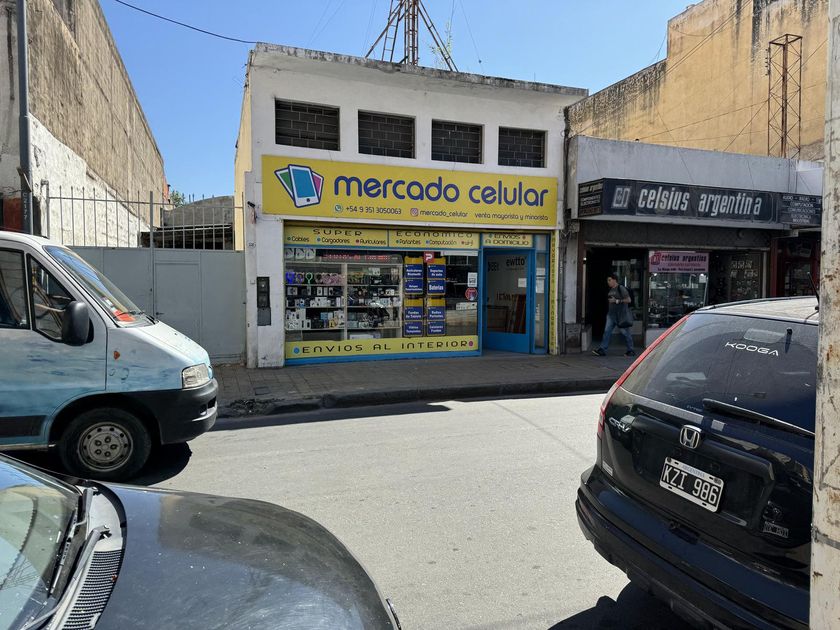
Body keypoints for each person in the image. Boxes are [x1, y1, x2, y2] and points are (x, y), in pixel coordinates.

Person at [592, 273, 634, 357]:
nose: (608, 282)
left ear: (614, 280)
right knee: (607, 332)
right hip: (611, 315)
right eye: (607, 280)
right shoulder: (611, 290)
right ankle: (602, 350)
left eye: (609, 280)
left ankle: (631, 350)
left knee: (625, 333)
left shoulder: (621, 288)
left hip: (621, 316)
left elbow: (629, 300)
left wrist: (617, 301)